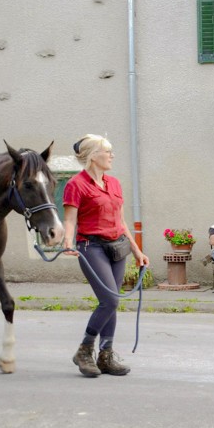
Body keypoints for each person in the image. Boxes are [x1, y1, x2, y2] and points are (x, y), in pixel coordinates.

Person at [62, 134, 149, 378]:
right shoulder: (75, 185)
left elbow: (121, 221)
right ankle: (84, 349)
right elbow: (70, 220)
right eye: (107, 151)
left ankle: (105, 354)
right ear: (92, 156)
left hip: (117, 247)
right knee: (110, 300)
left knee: (112, 302)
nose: (112, 155)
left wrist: (137, 250)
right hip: (91, 247)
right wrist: (68, 242)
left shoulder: (114, 183)